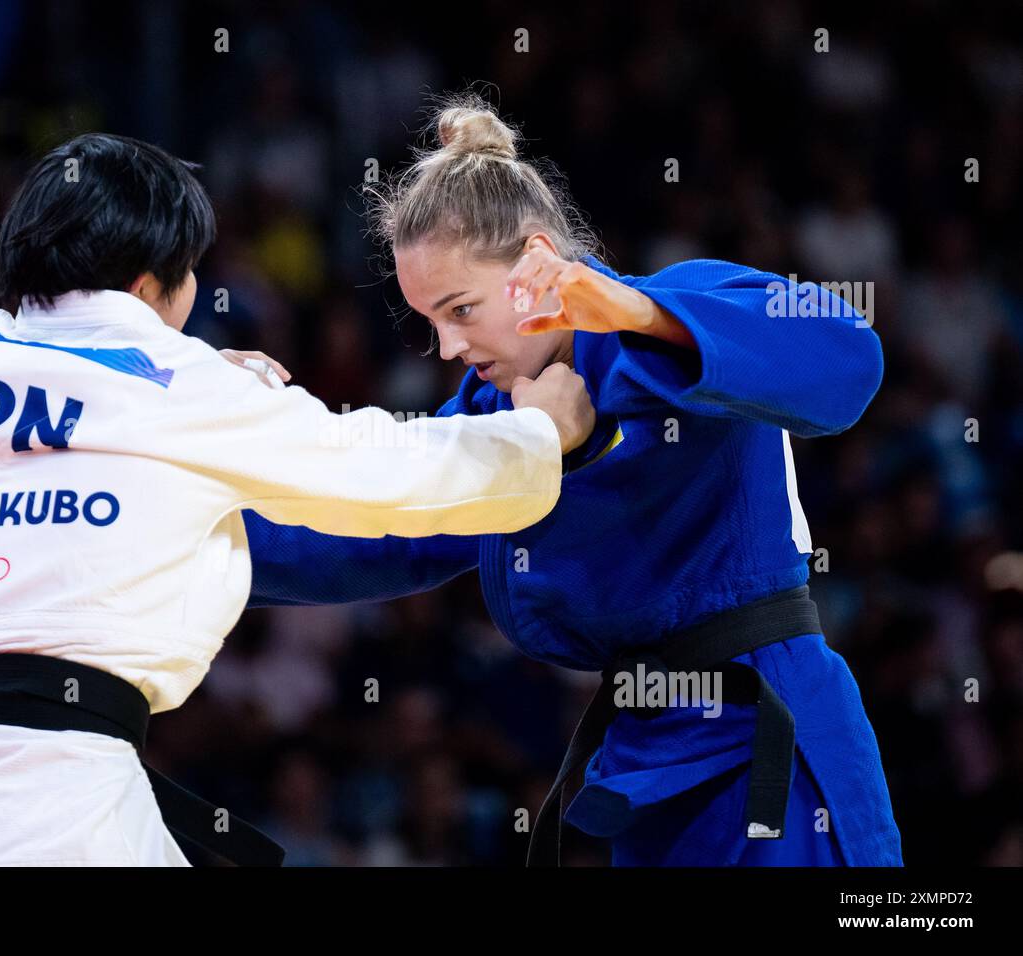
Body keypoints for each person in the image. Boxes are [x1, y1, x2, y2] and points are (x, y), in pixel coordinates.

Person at [0, 132, 593, 866]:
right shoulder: (179, 386)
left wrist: (206, 379)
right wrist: (536, 436)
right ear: (149, 284)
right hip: (60, 816)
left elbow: (78, 422)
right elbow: (379, 469)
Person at [244, 96, 904, 866]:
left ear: (535, 263)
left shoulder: (676, 311)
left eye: (461, 309)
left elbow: (848, 356)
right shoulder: (495, 413)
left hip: (772, 742)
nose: (449, 345)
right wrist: (165, 520)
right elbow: (375, 532)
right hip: (646, 755)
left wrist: (637, 313)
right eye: (432, 321)